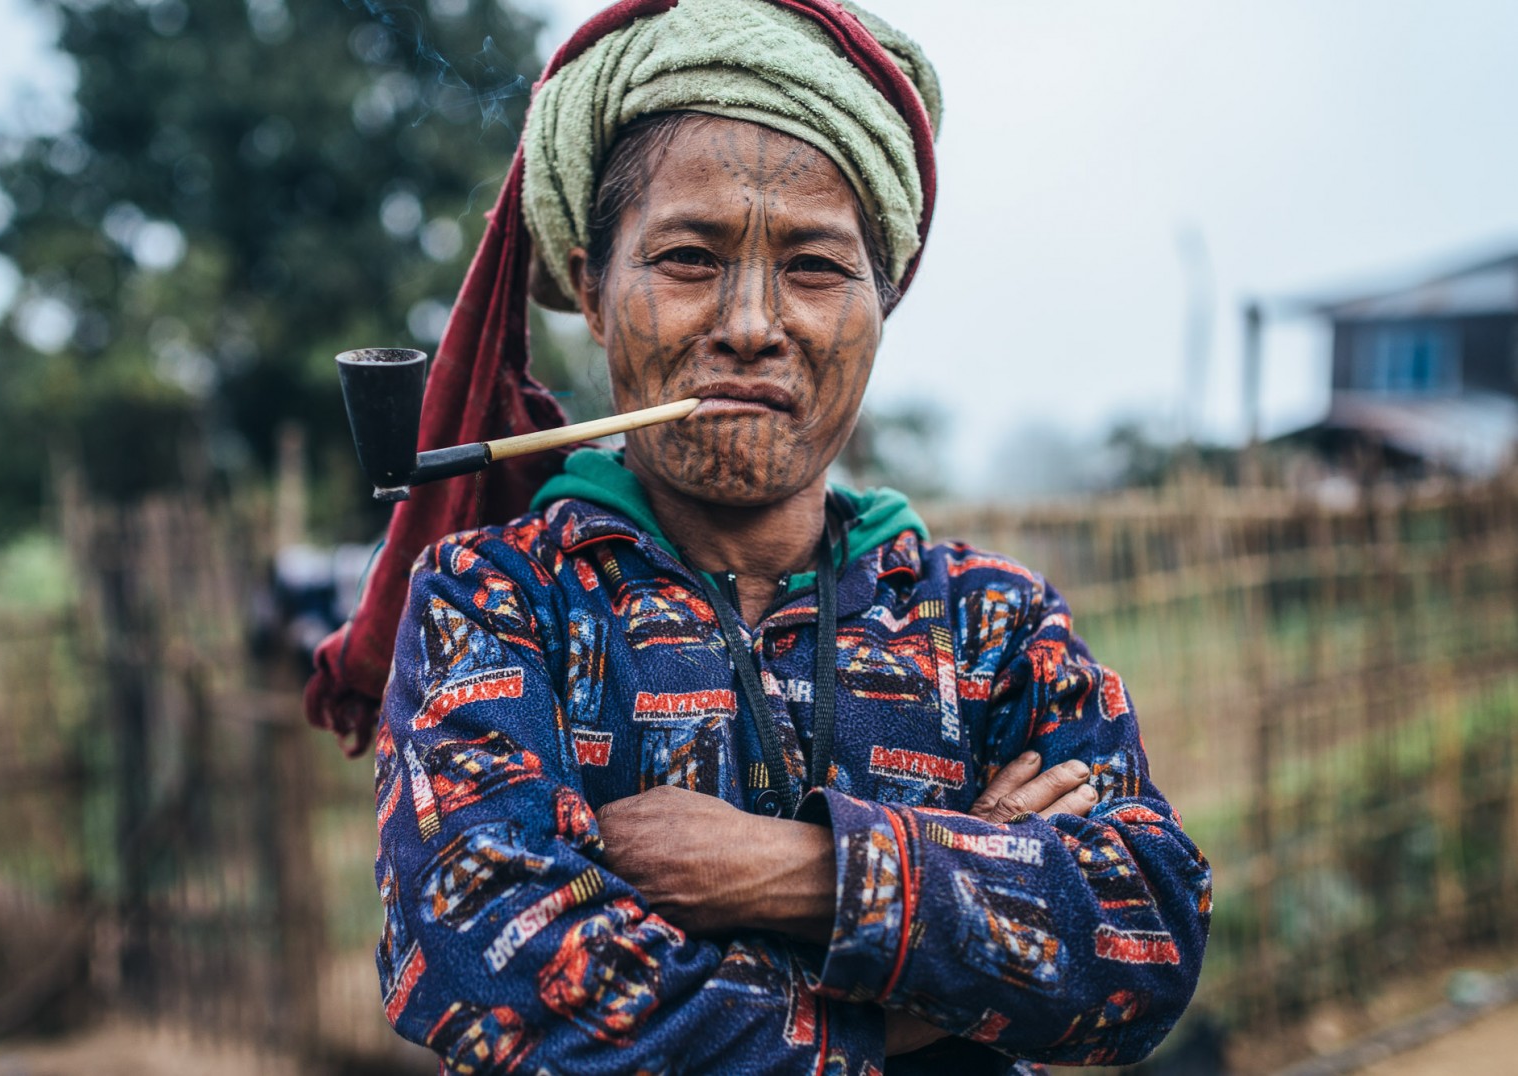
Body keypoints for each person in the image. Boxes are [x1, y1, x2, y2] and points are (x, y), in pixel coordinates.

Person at [358, 1, 1212, 1071]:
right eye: (686, 258)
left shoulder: (991, 626)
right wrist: (942, 978)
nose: (753, 323)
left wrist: (791, 870)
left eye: (814, 266)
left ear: (882, 298)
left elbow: (1147, 935)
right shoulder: (498, 601)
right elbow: (504, 974)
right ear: (590, 284)